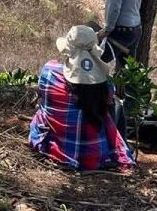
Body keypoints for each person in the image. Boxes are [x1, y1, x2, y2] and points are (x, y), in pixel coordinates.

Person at [29, 25, 136, 172]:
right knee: (116, 104)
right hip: (94, 156)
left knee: (43, 108)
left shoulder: (49, 71)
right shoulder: (104, 83)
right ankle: (118, 148)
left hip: (53, 149)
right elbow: (107, 101)